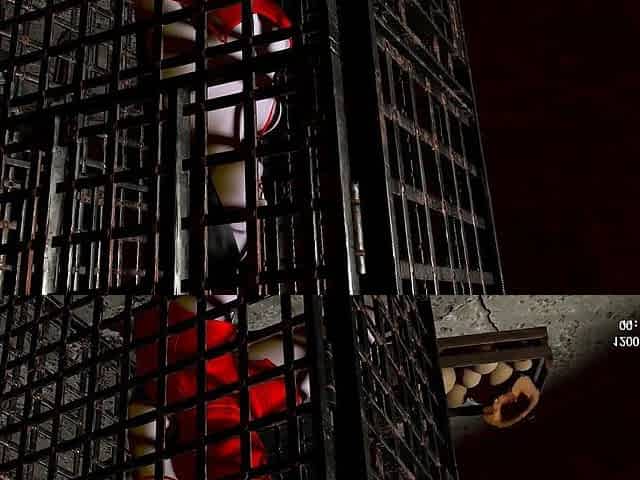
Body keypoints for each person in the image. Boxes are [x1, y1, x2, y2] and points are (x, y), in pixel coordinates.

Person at [128, 296, 309, 480]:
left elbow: (144, 428)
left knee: (219, 291)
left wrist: (153, 405)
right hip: (240, 408)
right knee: (313, 359)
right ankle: (232, 350)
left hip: (190, 386)